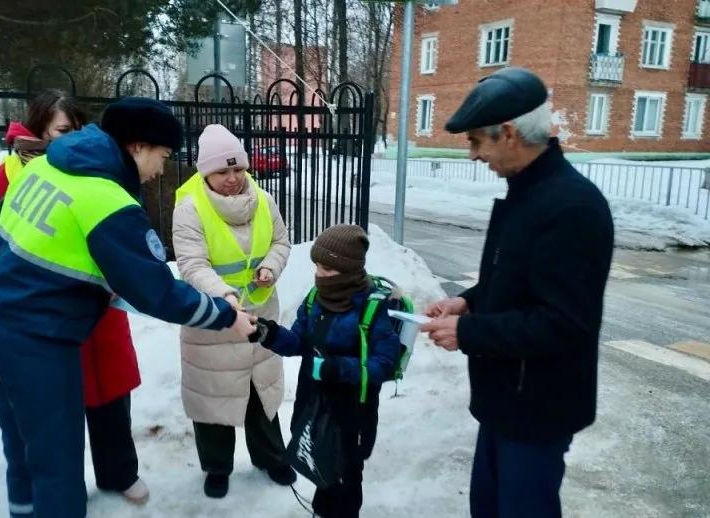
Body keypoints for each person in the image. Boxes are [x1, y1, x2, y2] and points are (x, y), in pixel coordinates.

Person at [0, 98, 256, 518]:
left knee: (23, 452)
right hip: (39, 345)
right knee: (56, 466)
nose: (160, 170)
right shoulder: (106, 200)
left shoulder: (44, 167)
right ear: (138, 147)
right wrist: (225, 314)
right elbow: (156, 291)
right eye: (162, 157)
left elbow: (12, 245)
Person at [419, 67, 615, 518]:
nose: (472, 155)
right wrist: (468, 300)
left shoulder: (573, 207)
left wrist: (468, 333)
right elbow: (519, 278)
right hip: (506, 400)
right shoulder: (529, 194)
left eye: (475, 142)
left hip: (537, 410)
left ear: (508, 133)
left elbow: (566, 322)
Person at [0, 90, 150, 505]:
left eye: (77, 129)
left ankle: (119, 472)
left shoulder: (94, 167)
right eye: (62, 130)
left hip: (101, 309)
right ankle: (61, 490)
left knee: (111, 395)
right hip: (44, 314)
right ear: (38, 130)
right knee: (54, 420)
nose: (71, 138)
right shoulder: (9, 176)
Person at [171, 123, 294, 498]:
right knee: (214, 394)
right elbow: (192, 264)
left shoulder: (264, 200)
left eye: (238, 168)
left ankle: (272, 457)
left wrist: (271, 266)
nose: (232, 178)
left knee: (261, 392)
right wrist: (224, 297)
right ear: (205, 172)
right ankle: (217, 467)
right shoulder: (190, 208)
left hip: (260, 314)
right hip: (214, 318)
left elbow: (281, 241)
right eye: (222, 171)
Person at [249, 224, 403, 518]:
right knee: (321, 465)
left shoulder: (372, 309)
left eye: (327, 269)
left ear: (349, 270)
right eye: (317, 266)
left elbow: (385, 364)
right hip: (313, 404)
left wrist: (339, 369)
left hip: (351, 414)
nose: (319, 274)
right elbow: (299, 341)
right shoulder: (315, 299)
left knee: (346, 477)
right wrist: (268, 334)